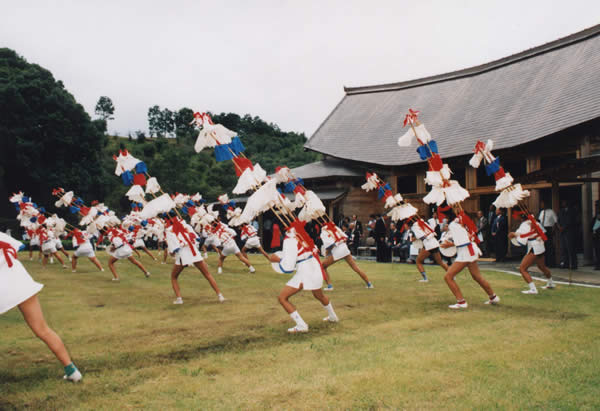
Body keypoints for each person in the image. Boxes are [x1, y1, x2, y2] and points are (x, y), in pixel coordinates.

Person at [0, 232, 82, 381]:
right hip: (21, 281)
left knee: (42, 329)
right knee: (43, 329)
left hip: (4, 286)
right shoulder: (2, 236)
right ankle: (72, 370)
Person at [269, 227, 339, 333]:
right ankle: (333, 316)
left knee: (282, 298)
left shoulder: (289, 239)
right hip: (314, 265)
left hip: (305, 269)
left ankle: (301, 325)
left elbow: (288, 267)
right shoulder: (301, 233)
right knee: (319, 295)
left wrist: (276, 259)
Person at [440, 209, 500, 309]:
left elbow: (463, 241)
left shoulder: (454, 224)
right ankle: (493, 297)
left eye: (445, 217)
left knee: (448, 277)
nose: (444, 219)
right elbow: (468, 237)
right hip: (470, 250)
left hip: (466, 252)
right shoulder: (462, 221)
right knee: (477, 276)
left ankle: (461, 302)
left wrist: (449, 244)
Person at [166, 218, 225, 305]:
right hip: (194, 252)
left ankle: (179, 299)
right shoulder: (186, 225)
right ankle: (220, 296)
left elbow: (172, 250)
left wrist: (171, 253)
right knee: (207, 275)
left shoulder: (169, 231)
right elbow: (196, 238)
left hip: (183, 254)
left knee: (174, 277)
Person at [509, 214, 555, 294]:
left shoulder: (524, 224)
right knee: (542, 266)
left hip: (534, 246)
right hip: (540, 245)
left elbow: (521, 236)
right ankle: (551, 283)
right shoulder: (535, 222)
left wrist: (512, 234)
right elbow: (543, 232)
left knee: (522, 269)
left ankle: (533, 289)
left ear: (521, 218)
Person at [320, 224, 373, 291]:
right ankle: (369, 283)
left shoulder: (323, 232)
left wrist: (326, 254)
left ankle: (329, 286)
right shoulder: (335, 227)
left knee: (322, 266)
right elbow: (345, 238)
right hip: (344, 249)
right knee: (355, 267)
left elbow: (329, 246)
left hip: (337, 251)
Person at [557, 200, 578, 269]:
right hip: (562, 232)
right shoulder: (560, 211)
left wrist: (564, 227)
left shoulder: (572, 211)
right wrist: (559, 226)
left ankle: (573, 264)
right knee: (563, 248)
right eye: (563, 202)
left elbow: (571, 221)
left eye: (565, 202)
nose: (563, 203)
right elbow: (558, 220)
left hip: (569, 231)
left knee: (571, 248)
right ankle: (565, 263)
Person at [538, 200, 558, 267]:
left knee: (550, 247)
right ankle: (545, 263)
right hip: (542, 229)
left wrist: (554, 230)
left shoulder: (551, 212)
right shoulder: (541, 212)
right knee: (543, 247)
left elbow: (556, 221)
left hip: (549, 229)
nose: (542, 205)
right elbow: (540, 222)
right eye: (541, 204)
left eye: (543, 204)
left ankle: (551, 263)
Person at [592, 203, 600, 270]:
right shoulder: (595, 218)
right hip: (596, 237)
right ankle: (598, 265)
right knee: (597, 251)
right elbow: (591, 227)